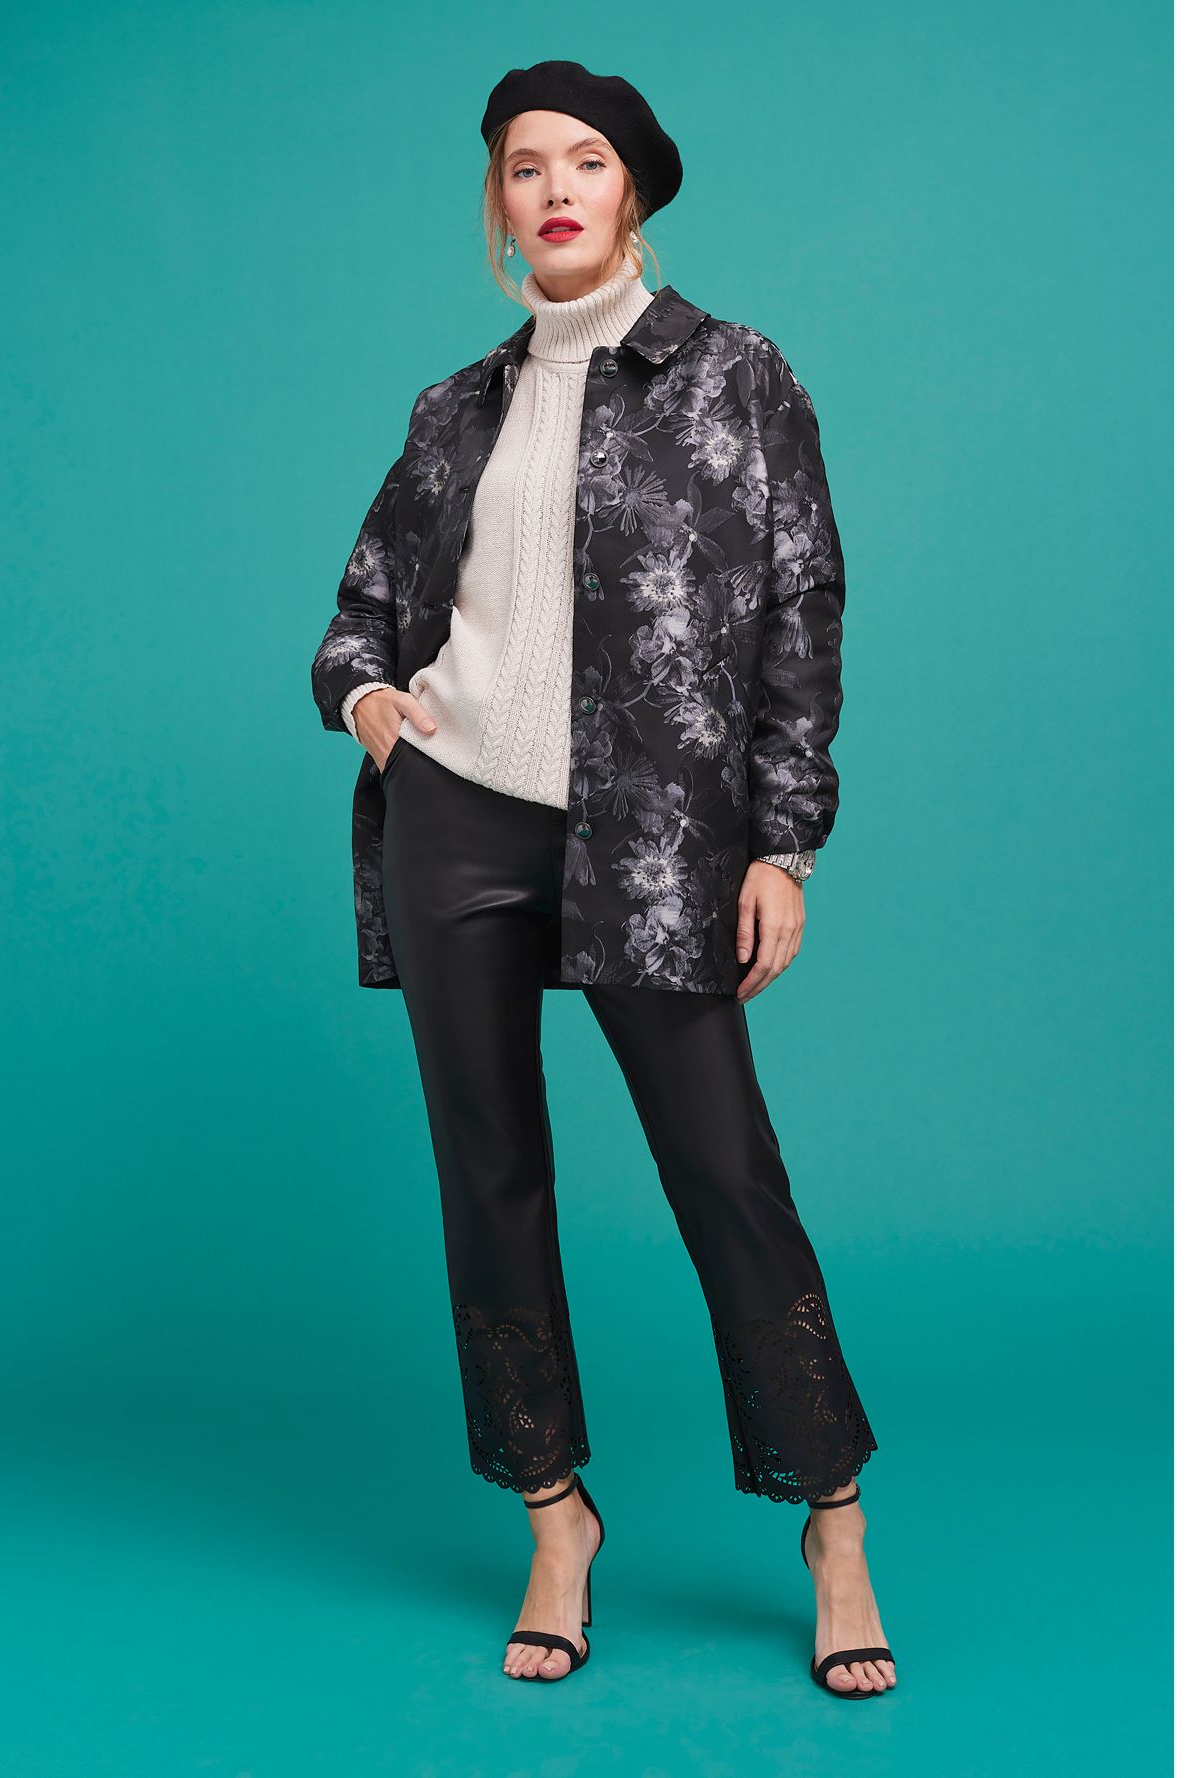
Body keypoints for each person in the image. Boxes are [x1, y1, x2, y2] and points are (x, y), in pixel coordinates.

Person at [309, 59, 895, 1699]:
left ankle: (834, 1520)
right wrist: (370, 703)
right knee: (490, 1173)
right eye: (524, 167)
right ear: (498, 205)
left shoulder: (737, 374)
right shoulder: (453, 409)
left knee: (726, 1172)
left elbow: (803, 608)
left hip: (656, 838)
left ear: (632, 191)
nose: (554, 189)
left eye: (584, 162)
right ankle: (553, 1516)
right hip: (459, 822)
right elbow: (360, 613)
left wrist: (781, 839)